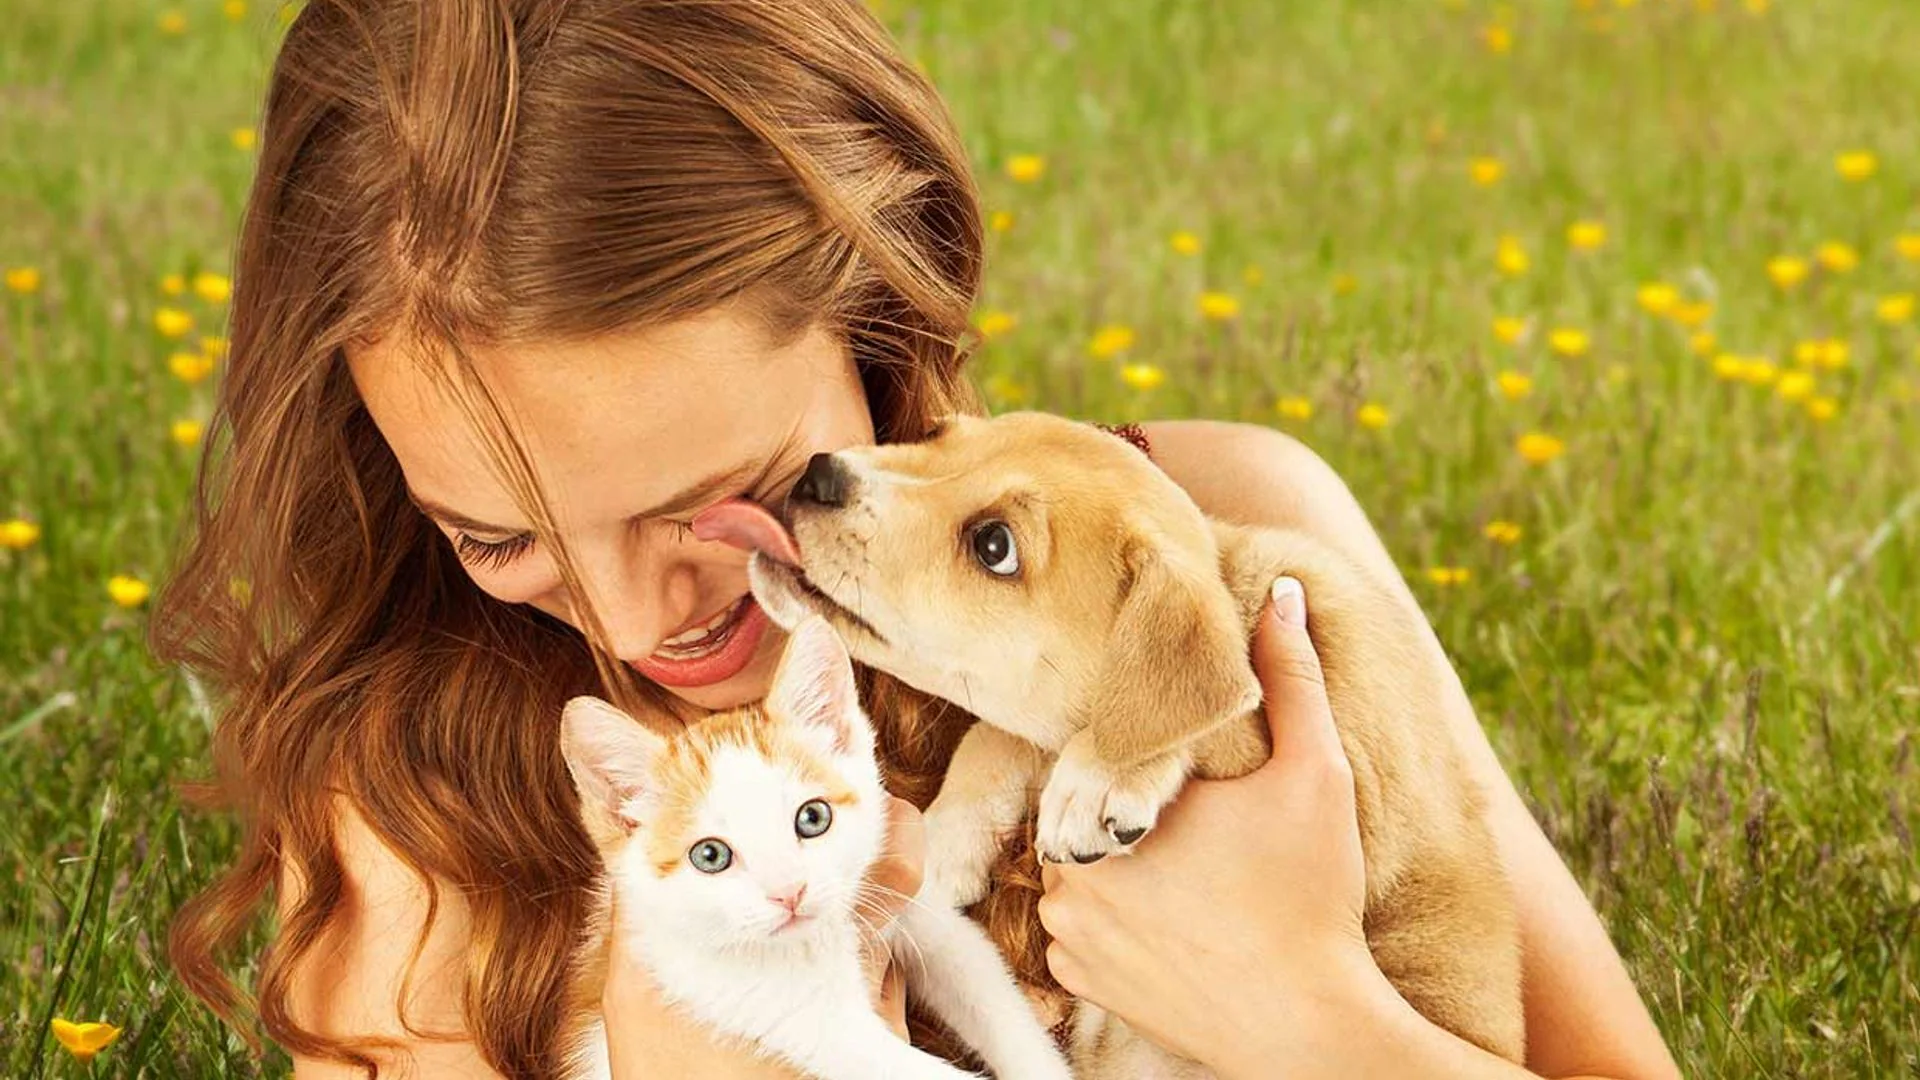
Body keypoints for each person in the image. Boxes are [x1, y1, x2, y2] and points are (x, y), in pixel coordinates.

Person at [153, 1, 1682, 1078]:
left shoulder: (1220, 559)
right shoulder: (431, 825)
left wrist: (1316, 1021)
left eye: (717, 492)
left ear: (886, 307)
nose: (636, 622)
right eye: (499, 539)